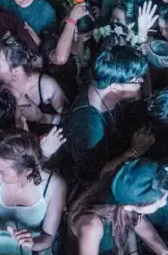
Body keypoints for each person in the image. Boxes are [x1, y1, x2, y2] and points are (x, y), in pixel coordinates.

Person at [0, 131, 68, 255]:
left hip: (35, 250)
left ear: (27, 171)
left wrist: (31, 243)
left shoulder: (53, 186)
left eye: (2, 171)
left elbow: (48, 237)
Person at [63, 45, 150, 183]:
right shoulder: (91, 128)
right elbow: (92, 176)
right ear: (116, 86)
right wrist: (134, 151)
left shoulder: (100, 84)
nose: (141, 81)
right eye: (136, 80)